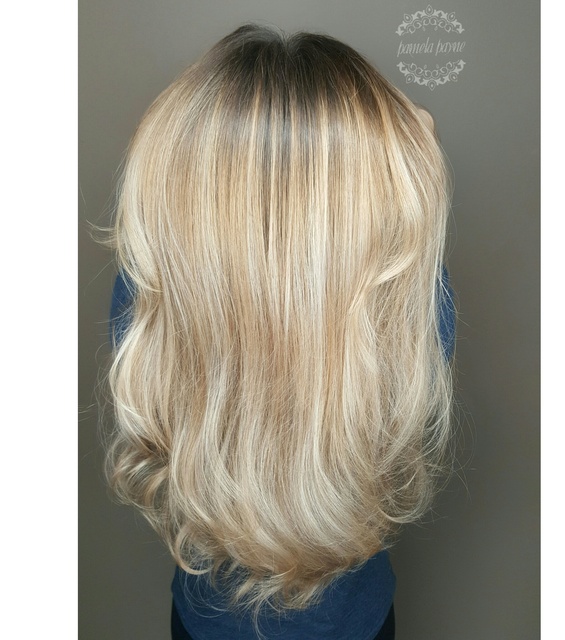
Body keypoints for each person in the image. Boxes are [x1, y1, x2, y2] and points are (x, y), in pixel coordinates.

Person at [103, 23, 456, 640]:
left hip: (205, 620)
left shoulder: (150, 294)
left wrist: (197, 144)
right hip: (357, 621)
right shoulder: (411, 301)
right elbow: (417, 159)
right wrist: (408, 134)